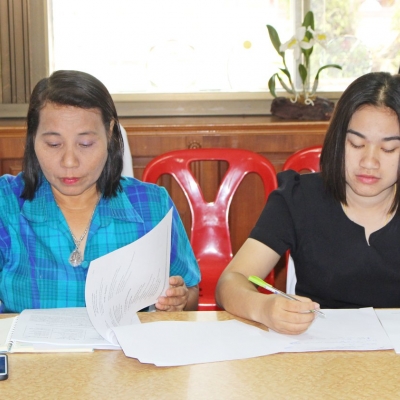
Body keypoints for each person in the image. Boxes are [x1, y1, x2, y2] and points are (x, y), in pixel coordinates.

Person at [0, 70, 200, 313]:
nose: (69, 161)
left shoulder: (152, 204)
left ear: (110, 133)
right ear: (33, 138)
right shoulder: (6, 202)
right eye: (53, 144)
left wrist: (179, 300)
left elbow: (190, 291)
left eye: (85, 144)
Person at [216, 71, 400, 335]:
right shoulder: (298, 198)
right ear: (338, 142)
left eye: (388, 149)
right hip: (318, 349)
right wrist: (263, 308)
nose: (369, 162)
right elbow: (230, 282)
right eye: (356, 144)